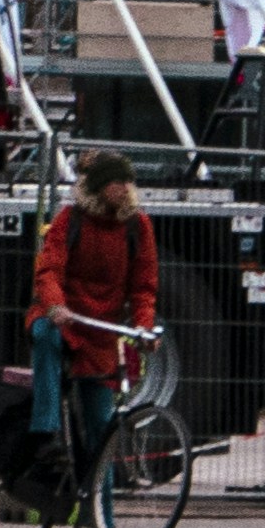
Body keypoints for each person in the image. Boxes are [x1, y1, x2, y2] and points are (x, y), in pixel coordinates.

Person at [23, 151, 161, 491]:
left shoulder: (137, 226)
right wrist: (55, 306)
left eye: (127, 183)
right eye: (116, 183)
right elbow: (49, 270)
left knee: (100, 427)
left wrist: (143, 326)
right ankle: (47, 429)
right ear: (99, 188)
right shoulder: (70, 220)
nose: (124, 190)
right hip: (64, 319)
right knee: (46, 336)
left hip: (100, 333)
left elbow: (143, 287)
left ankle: (101, 523)